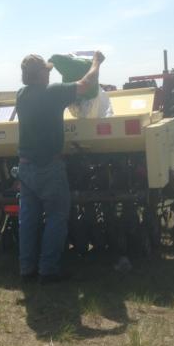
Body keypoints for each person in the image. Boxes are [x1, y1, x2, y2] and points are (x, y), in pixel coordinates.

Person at [16, 51, 105, 284]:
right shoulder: (53, 92)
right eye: (47, 70)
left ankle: (26, 268)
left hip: (25, 168)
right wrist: (96, 62)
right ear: (41, 74)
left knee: (28, 219)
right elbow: (86, 85)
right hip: (49, 168)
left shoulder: (21, 95)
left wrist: (55, 61)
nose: (49, 74)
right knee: (56, 216)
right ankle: (48, 270)